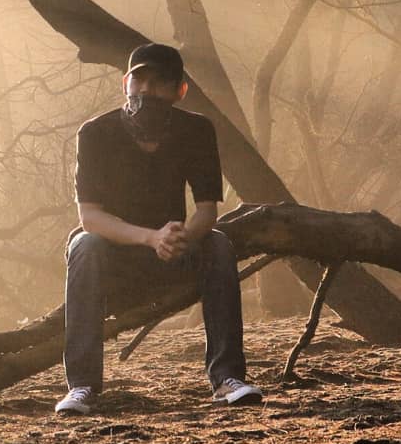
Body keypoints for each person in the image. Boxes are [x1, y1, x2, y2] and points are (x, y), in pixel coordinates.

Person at [55, 42, 263, 415]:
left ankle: (228, 379)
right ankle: (82, 386)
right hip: (115, 257)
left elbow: (206, 211)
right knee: (84, 244)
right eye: (139, 81)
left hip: (174, 255)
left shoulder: (197, 130)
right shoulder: (95, 133)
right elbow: (90, 217)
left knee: (217, 244)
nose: (147, 91)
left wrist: (182, 238)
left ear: (179, 91)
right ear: (125, 85)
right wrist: (150, 238)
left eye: (159, 82)